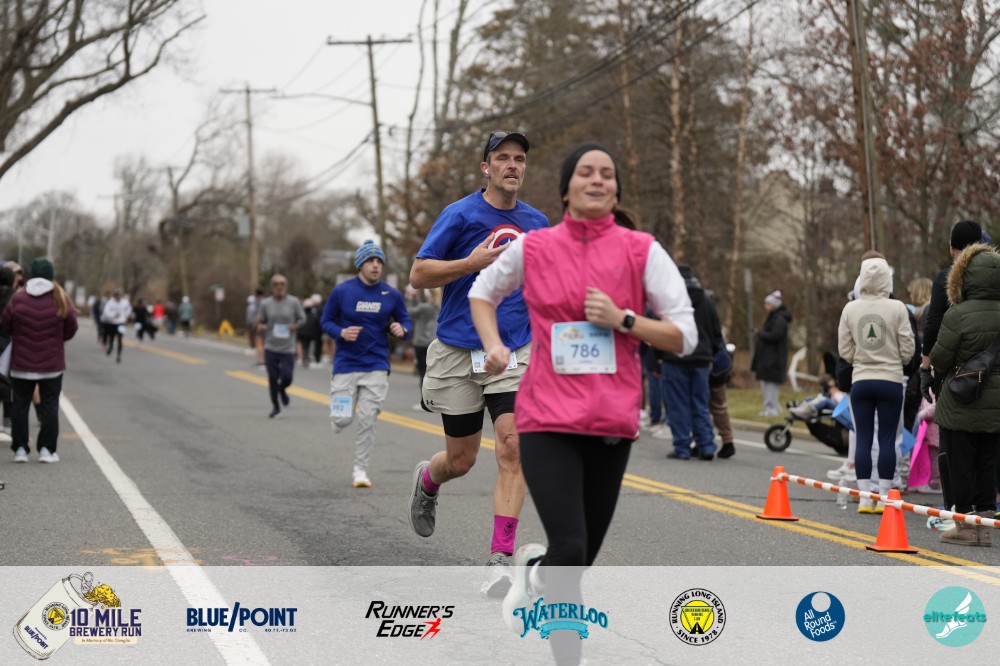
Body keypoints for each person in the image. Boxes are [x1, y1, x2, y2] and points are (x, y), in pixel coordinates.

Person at [468, 143, 696, 663]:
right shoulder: (536, 247)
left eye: (607, 174)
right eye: (586, 172)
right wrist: (494, 344)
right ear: (567, 188)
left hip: (611, 423)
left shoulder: (641, 250)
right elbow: (482, 292)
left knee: (578, 558)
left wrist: (623, 319)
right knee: (570, 550)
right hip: (546, 418)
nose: (597, 179)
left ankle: (536, 574)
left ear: (615, 190)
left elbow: (684, 335)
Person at [406, 130, 549, 597]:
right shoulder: (460, 214)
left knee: (513, 447)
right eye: (502, 158)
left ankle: (499, 561)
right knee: (462, 460)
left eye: (519, 158)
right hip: (457, 349)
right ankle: (428, 479)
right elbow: (419, 274)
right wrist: (470, 263)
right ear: (486, 168)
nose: (512, 165)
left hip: (512, 350)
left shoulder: (537, 222)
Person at [321, 240, 411, 488]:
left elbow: (405, 321)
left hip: (376, 364)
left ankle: (360, 470)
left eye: (379, 261)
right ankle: (339, 415)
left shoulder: (391, 294)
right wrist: (340, 332)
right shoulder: (342, 291)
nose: (375, 265)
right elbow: (325, 320)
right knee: (341, 420)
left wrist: (401, 329)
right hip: (346, 363)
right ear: (360, 264)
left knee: (368, 418)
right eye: (370, 261)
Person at [930, 243, 1000, 546]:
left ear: (965, 276)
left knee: (961, 465)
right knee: (988, 465)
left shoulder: (958, 314)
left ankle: (964, 526)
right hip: (996, 406)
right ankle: (985, 528)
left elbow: (940, 358)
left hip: (961, 402)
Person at [838, 254, 915, 514]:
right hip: (890, 380)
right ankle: (883, 496)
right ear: (887, 280)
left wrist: (861, 357)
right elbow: (908, 348)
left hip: (861, 380)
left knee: (863, 439)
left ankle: (863, 498)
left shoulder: (850, 309)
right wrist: (895, 359)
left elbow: (844, 351)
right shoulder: (898, 308)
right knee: (887, 439)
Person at [919, 219, 983, 516]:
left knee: (951, 439)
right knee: (986, 440)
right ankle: (986, 508)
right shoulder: (992, 279)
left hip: (954, 372)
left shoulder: (947, 279)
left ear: (951, 247)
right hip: (991, 369)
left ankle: (954, 507)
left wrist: (927, 368)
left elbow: (933, 325)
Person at [1, 258, 78, 463]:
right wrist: (57, 340)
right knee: (49, 406)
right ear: (51, 275)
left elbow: (5, 325)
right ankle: (46, 450)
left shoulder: (18, 298)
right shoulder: (60, 297)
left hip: (21, 364)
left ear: (31, 274)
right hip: (51, 364)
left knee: (20, 406)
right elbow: (71, 327)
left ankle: (20, 450)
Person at [661, 265, 723, 461]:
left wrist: (658, 356)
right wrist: (712, 353)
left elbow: (660, 328)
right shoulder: (706, 300)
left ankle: (682, 447)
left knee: (678, 404)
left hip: (675, 356)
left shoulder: (670, 300)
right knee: (700, 404)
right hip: (701, 360)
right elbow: (716, 331)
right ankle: (706, 445)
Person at [256, 274, 305, 419]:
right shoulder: (266, 304)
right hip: (271, 346)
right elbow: (260, 320)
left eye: (282, 284)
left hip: (288, 347)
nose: (279, 287)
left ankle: (282, 389)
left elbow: (302, 318)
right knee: (272, 378)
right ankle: (276, 408)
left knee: (287, 377)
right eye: (276, 284)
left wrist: (295, 325)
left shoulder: (293, 302)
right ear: (272, 287)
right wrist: (261, 325)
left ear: (286, 286)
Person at [751, 290, 792, 416]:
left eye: (768, 304)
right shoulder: (774, 317)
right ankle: (773, 407)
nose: (765, 306)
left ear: (774, 305)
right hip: (769, 357)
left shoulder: (779, 319)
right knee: (767, 383)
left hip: (773, 358)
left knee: (770, 384)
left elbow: (775, 335)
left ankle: (771, 408)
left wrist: (760, 333)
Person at [405, 285, 439, 410]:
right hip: (433, 342)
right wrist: (415, 297)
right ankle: (434, 401)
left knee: (423, 373)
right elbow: (419, 307)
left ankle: (425, 401)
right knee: (432, 373)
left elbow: (408, 311)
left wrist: (409, 298)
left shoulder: (425, 307)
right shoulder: (437, 306)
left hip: (421, 343)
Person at [100, 289, 132, 364]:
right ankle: (110, 348)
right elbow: (106, 312)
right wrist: (114, 314)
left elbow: (128, 309)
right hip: (112, 323)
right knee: (111, 338)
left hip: (121, 323)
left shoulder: (125, 302)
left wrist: (127, 315)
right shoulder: (110, 302)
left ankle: (119, 356)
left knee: (120, 339)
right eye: (117, 295)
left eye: (119, 295)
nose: (118, 297)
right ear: (114, 296)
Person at [296, 295, 323, 368]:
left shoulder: (308, 313)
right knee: (307, 346)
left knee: (305, 346)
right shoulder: (313, 314)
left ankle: (304, 358)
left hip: (304, 332)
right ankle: (305, 358)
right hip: (310, 333)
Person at [246, 288, 265, 364]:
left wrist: (255, 321)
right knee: (261, 340)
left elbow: (259, 312)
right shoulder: (265, 301)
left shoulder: (260, 302)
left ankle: (261, 359)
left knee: (259, 339)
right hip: (262, 323)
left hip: (260, 323)